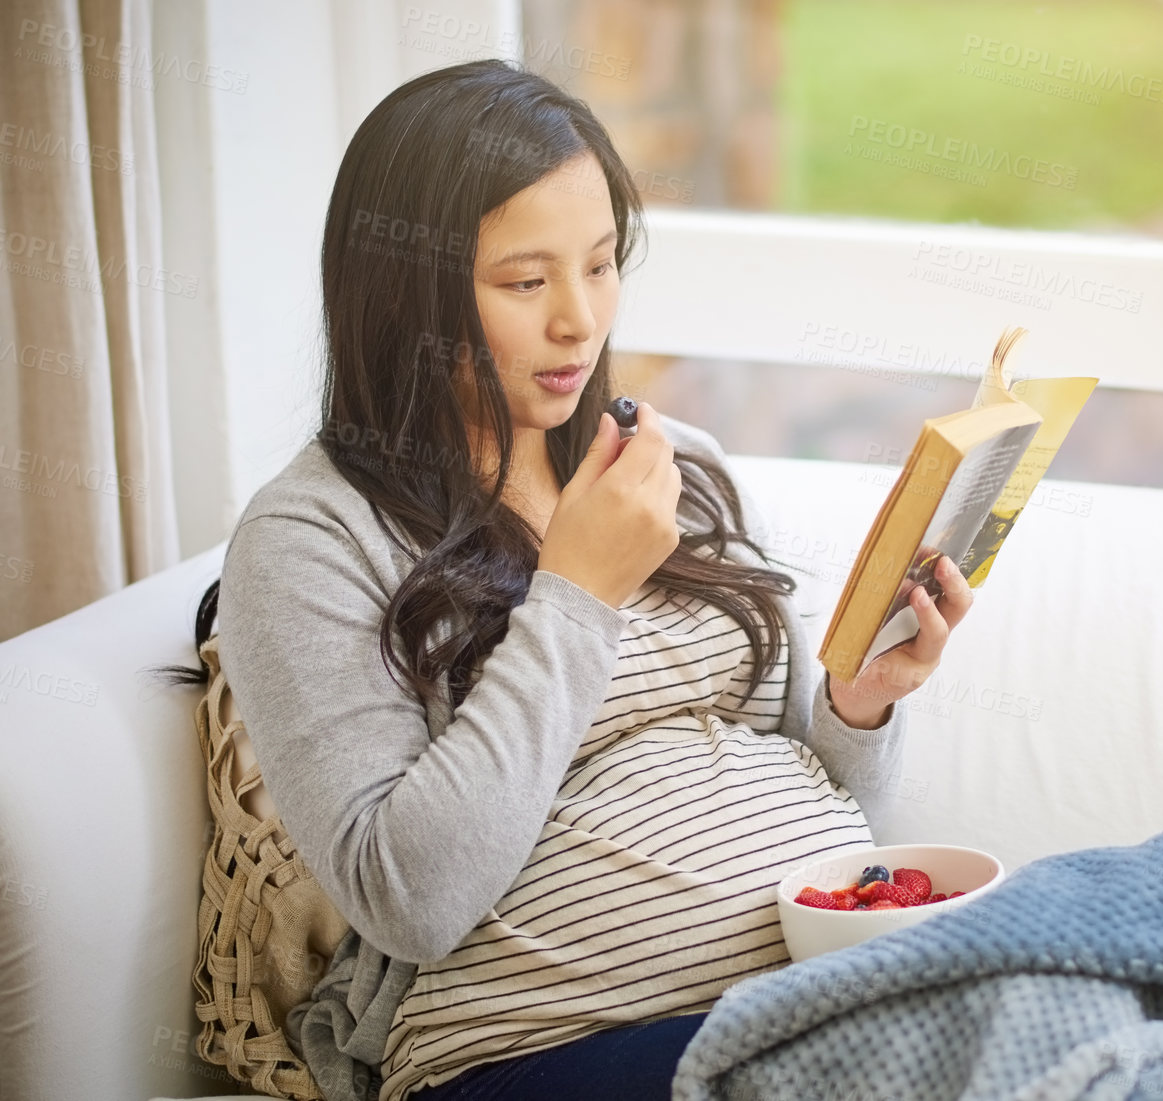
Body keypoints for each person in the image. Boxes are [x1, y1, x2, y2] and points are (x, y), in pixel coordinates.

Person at [153, 58, 970, 1101]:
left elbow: (834, 810)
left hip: (815, 993)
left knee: (1122, 924)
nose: (580, 321)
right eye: (525, 282)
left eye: (599, 264)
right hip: (536, 1055)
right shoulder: (309, 537)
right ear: (403, 294)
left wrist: (860, 704)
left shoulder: (675, 468)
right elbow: (410, 897)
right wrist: (576, 594)